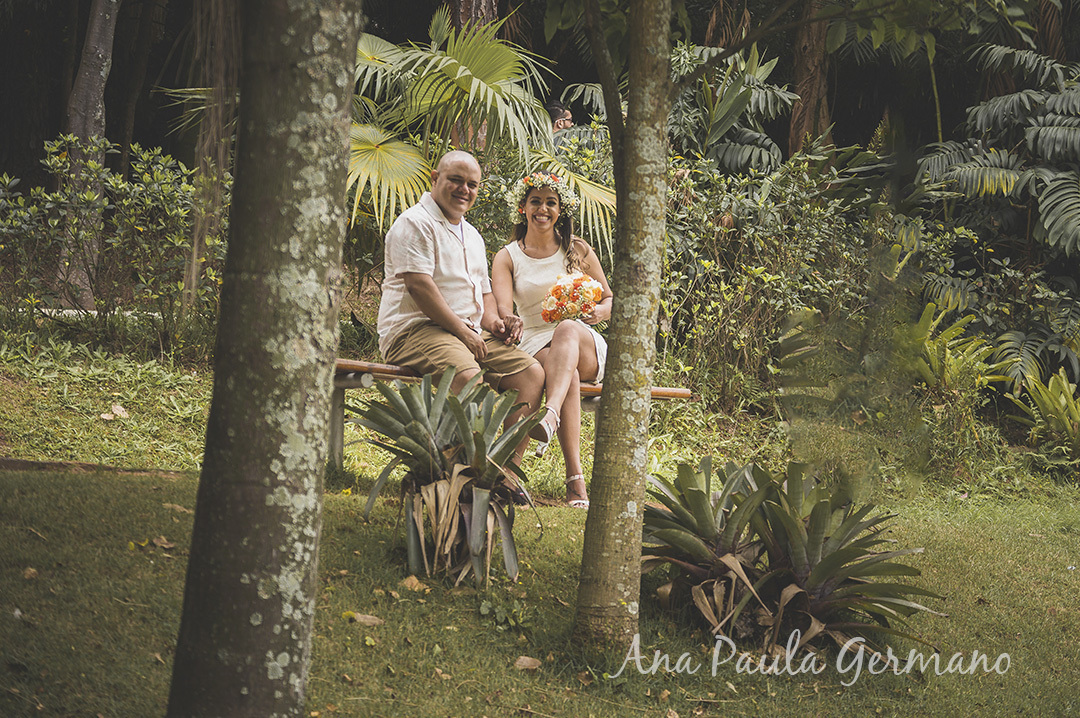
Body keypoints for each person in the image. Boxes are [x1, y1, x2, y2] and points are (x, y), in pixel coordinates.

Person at [376, 151, 546, 466]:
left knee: (531, 373)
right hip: (414, 329)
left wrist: (496, 322)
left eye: (472, 184)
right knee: (467, 376)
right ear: (435, 178)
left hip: (464, 332)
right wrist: (464, 333)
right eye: (456, 180)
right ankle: (462, 473)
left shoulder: (472, 235)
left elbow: (484, 295)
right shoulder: (415, 223)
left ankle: (504, 473)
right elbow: (419, 287)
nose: (464, 190)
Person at [491, 172, 613, 509]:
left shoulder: (577, 250)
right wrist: (507, 318)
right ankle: (575, 481)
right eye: (535, 201)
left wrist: (599, 314)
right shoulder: (508, 256)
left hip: (581, 339)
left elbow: (610, 299)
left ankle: (550, 414)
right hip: (534, 343)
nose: (542, 209)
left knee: (567, 331)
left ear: (561, 210)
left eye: (550, 202)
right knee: (566, 375)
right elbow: (502, 307)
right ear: (523, 207)